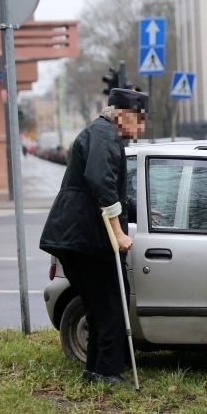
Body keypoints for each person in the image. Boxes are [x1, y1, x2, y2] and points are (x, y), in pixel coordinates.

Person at [39, 88, 148, 385]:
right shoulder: (104, 136)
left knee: (103, 306)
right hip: (85, 239)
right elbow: (100, 182)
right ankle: (107, 374)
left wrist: (138, 211)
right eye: (139, 121)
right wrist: (118, 234)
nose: (141, 129)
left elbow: (106, 189)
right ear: (123, 114)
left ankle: (96, 371)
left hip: (80, 238)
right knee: (110, 305)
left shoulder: (101, 133)